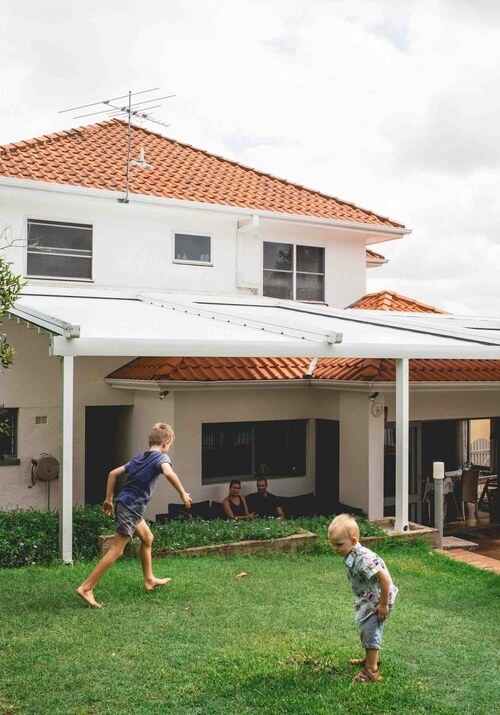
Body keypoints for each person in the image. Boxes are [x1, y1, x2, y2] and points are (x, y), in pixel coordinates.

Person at [76, 423, 191, 608]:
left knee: (147, 538)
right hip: (131, 507)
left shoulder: (140, 458)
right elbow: (169, 473)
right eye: (169, 445)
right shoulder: (161, 457)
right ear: (166, 443)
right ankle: (86, 587)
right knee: (116, 550)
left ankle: (149, 579)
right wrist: (182, 493)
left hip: (127, 504)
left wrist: (108, 499)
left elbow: (113, 474)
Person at [328, 513, 398, 683]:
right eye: (332, 545)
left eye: (339, 545)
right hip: (369, 599)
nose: (335, 549)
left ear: (353, 541)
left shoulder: (364, 558)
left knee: (370, 631)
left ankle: (372, 670)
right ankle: (370, 660)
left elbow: (385, 579)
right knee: (366, 629)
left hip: (378, 600)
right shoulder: (351, 553)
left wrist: (383, 604)